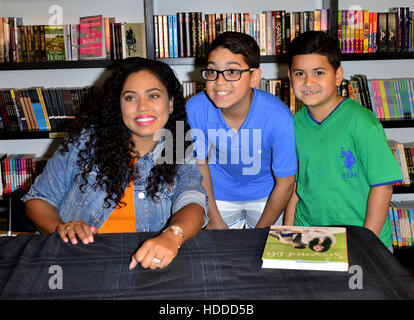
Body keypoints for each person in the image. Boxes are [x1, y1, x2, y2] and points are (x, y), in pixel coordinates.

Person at [22, 57, 208, 270]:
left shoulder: (177, 150)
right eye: (130, 98)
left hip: (145, 268)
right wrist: (62, 228)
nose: (142, 107)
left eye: (154, 96)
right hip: (75, 262)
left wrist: (173, 235)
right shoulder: (85, 142)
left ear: (171, 102)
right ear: (118, 105)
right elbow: (39, 200)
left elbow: (192, 201)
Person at [284, 31, 403, 249]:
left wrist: (368, 244)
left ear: (338, 76)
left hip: (360, 237)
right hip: (309, 235)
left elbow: (382, 187)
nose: (308, 82)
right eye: (300, 73)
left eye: (319, 73)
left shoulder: (362, 123)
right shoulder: (293, 125)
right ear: (290, 76)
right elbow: (297, 186)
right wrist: (289, 234)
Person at [186, 32, 297, 230]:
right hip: (217, 193)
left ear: (254, 77)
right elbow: (199, 166)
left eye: (232, 72)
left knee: (264, 254)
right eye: (212, 71)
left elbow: (286, 183)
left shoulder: (279, 117)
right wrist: (215, 220)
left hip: (267, 193)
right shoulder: (195, 108)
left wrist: (262, 231)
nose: (219, 82)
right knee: (217, 252)